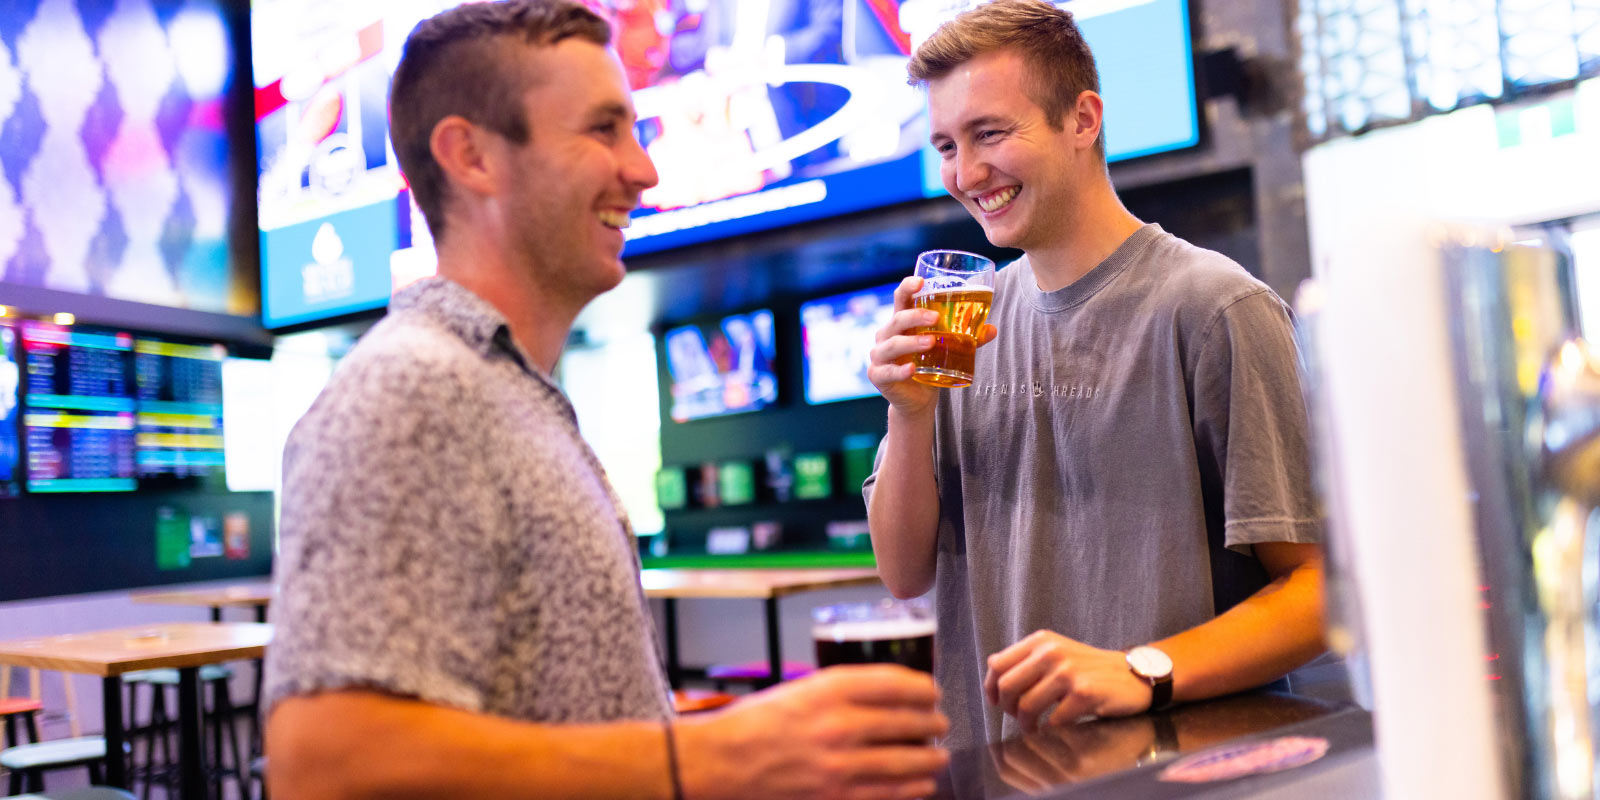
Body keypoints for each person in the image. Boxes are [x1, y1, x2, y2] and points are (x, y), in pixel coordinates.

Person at [262, 3, 948, 798]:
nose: (645, 169)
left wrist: (745, 749)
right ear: (470, 155)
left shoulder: (507, 391)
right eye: (602, 130)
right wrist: (716, 756)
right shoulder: (408, 390)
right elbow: (324, 763)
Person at [864, 0, 1326, 748]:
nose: (967, 173)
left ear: (1082, 120)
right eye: (946, 144)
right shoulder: (961, 323)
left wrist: (1141, 670)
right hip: (1003, 770)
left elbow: (1318, 591)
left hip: (1173, 770)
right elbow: (902, 570)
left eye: (990, 134)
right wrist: (908, 412)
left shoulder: (1216, 307)